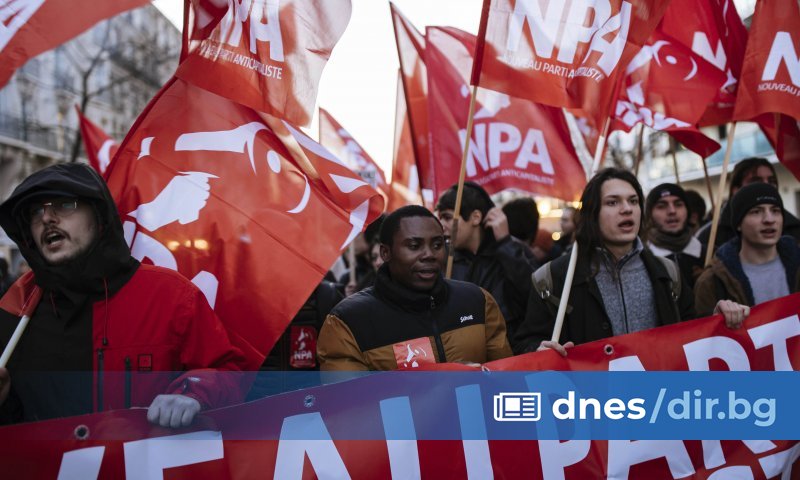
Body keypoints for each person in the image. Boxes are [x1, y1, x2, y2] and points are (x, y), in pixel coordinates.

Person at [0, 164, 250, 426]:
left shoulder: (170, 297)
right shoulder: (14, 309)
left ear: (98, 217)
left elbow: (228, 372)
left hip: (142, 464)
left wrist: (195, 392)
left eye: (64, 205)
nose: (47, 218)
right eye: (36, 211)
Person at [514, 168, 749, 356]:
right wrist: (537, 350)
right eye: (613, 202)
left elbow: (691, 334)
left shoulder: (667, 273)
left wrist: (716, 319)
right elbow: (526, 341)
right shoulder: (553, 279)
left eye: (633, 201)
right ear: (592, 214)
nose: (627, 209)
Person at [317, 205, 512, 370]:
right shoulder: (348, 322)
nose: (429, 254)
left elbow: (506, 381)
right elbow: (349, 406)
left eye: (437, 244)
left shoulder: (477, 301)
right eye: (414, 246)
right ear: (385, 252)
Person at [435, 182, 538, 344]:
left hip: (513, 353)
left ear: (475, 217)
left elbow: (535, 296)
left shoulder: (512, 249)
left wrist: (505, 244)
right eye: (439, 218)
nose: (441, 226)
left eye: (448, 217)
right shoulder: (441, 259)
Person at [695, 183, 800, 316]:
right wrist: (716, 319)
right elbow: (703, 333)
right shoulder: (712, 282)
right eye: (756, 211)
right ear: (738, 224)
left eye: (775, 211)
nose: (769, 219)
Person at [696, 157, 800, 251]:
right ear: (736, 190)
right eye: (756, 181)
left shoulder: (795, 229)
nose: (766, 186)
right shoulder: (710, 237)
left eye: (771, 181)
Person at [645, 183, 705, 288]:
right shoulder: (643, 261)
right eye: (661, 206)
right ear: (649, 215)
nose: (672, 211)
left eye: (678, 204)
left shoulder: (711, 255)